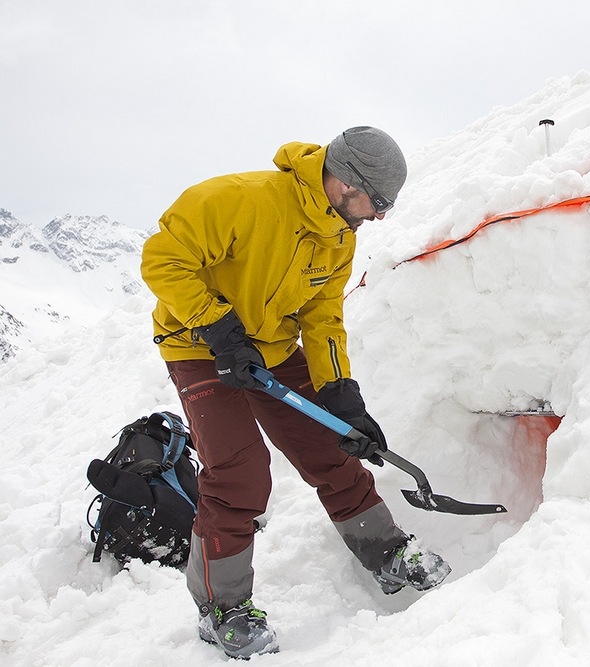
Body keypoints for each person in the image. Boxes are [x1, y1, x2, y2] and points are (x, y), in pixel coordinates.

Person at [140, 127, 450, 659]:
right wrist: (217, 327)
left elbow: (323, 318)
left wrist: (341, 393)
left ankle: (384, 550)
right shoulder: (238, 199)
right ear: (345, 183)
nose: (377, 217)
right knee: (238, 471)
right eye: (376, 203)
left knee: (332, 445)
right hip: (197, 343)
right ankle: (222, 608)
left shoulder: (339, 237)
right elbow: (162, 259)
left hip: (273, 348)